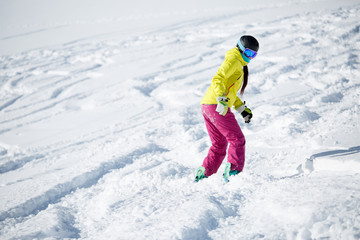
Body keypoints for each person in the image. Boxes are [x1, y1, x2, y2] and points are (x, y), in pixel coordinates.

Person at [195, 35, 259, 182]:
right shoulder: (233, 60)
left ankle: (204, 175)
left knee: (219, 144)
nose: (250, 57)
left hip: (208, 105)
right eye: (249, 53)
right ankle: (233, 174)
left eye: (254, 55)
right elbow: (218, 79)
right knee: (237, 139)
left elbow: (230, 92)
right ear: (241, 48)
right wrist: (221, 99)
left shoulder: (238, 62)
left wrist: (241, 108)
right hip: (216, 105)